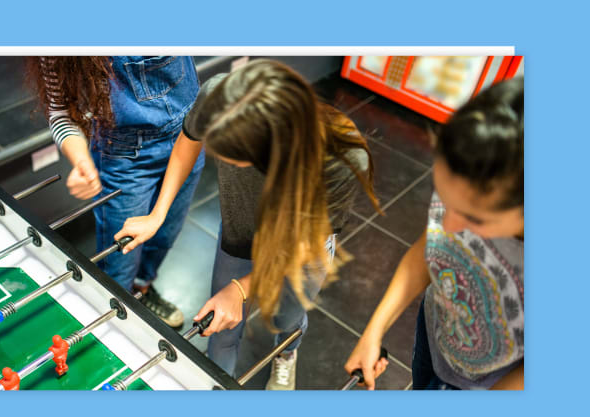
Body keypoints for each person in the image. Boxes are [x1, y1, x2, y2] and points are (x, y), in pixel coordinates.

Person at [116, 59, 380, 389]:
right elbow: (189, 139)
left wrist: (242, 288)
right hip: (240, 234)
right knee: (220, 329)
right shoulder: (220, 97)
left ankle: (286, 355)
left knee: (285, 318)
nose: (218, 157)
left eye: (231, 154)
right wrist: (158, 214)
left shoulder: (340, 158)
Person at [344, 78, 524, 390]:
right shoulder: (466, 178)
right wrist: (375, 329)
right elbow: (431, 248)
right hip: (436, 334)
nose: (449, 226)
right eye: (442, 195)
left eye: (474, 218)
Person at [27, 56, 204, 329]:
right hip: (124, 158)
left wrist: (158, 215)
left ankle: (142, 290)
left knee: (165, 236)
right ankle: (116, 320)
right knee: (118, 264)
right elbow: (60, 111)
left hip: (189, 137)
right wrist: (81, 160)